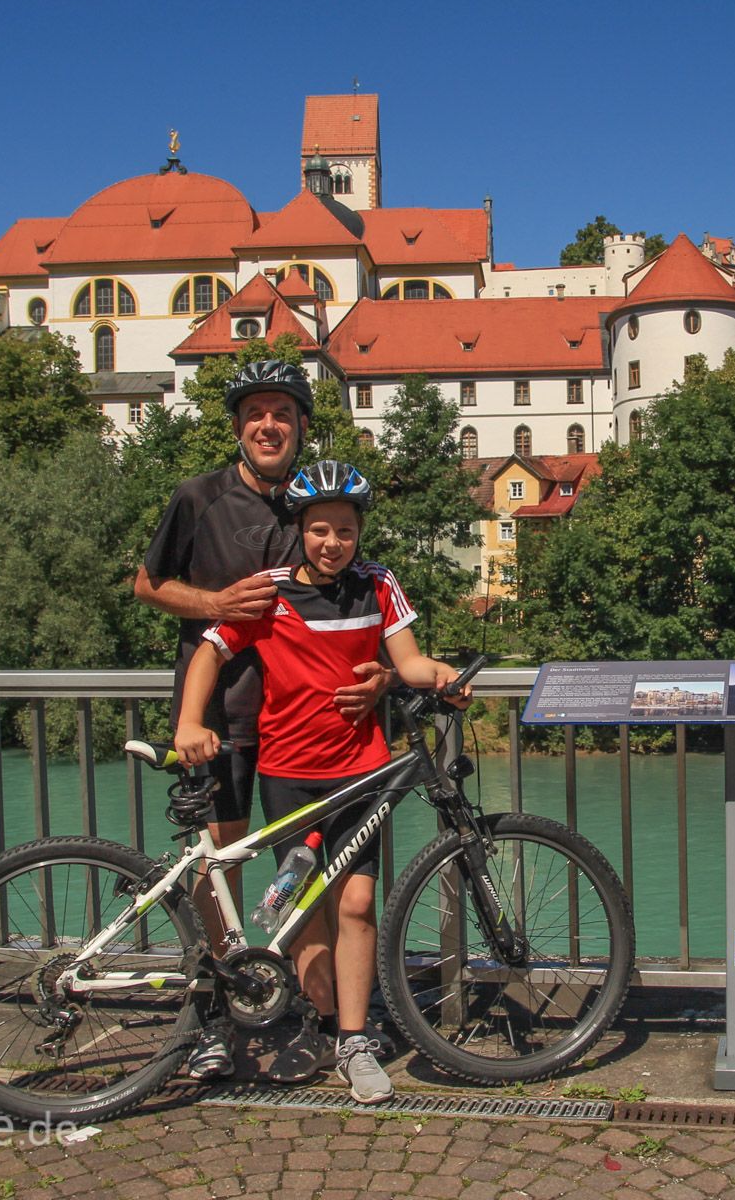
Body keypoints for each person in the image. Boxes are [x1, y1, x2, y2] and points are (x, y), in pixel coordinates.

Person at [176, 460, 469, 1105]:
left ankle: (356, 1041)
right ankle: (331, 1023)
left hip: (359, 768)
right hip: (287, 773)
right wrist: (189, 722)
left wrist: (440, 673)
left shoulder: (378, 584)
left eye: (344, 531)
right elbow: (210, 649)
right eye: (319, 530)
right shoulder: (270, 589)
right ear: (300, 531)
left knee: (357, 905)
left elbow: (410, 659)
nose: (332, 543)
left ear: (359, 534)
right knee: (307, 912)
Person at [133, 360, 393, 1083]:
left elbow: (355, 612)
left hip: (299, 732)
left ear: (302, 426)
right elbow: (146, 586)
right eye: (255, 414)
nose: (269, 425)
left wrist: (380, 680)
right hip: (217, 719)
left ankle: (312, 1025)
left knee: (301, 888)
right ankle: (216, 1021)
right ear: (239, 428)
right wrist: (214, 606)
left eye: (283, 413)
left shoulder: (317, 506)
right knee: (219, 880)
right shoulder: (200, 498)